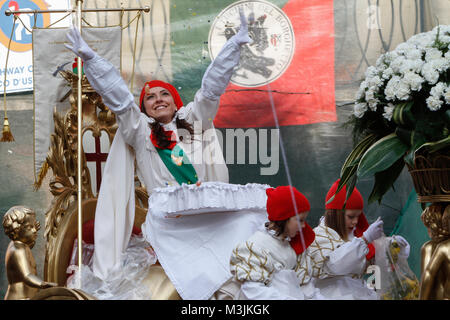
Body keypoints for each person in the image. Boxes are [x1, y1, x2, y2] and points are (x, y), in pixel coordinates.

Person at [64, 8, 269, 300]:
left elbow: (211, 90)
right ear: (145, 108)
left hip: (206, 216)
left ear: (175, 103)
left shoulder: (194, 122)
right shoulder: (140, 132)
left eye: (164, 95)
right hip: (171, 225)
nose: (158, 100)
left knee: (250, 232)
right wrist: (92, 60)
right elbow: (120, 100)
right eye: (150, 96)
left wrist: (234, 46)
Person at [230, 186, 323, 300]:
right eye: (300, 220)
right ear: (284, 218)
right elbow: (254, 291)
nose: (304, 226)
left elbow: (306, 288)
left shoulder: (294, 246)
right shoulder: (256, 246)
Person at [308, 179, 386, 299]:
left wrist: (392, 246)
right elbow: (334, 266)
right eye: (351, 216)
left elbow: (370, 270)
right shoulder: (318, 236)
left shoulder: (354, 236)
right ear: (336, 214)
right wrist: (365, 240)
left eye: (358, 216)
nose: (355, 221)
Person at [2, 206, 57, 300]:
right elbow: (26, 275)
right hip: (19, 298)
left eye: (34, 226)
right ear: (17, 230)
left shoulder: (22, 246)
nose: (34, 230)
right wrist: (42, 284)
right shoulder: (17, 250)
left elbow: (29, 245)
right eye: (29, 227)